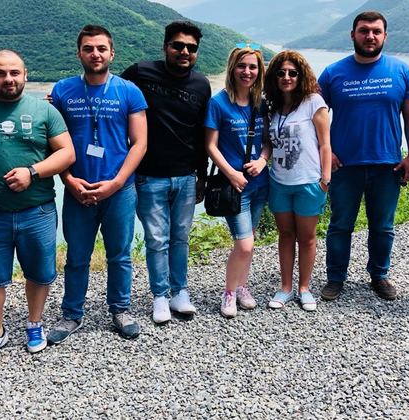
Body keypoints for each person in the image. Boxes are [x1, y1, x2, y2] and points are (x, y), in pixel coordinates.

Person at [0, 49, 75, 362]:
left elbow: (67, 153)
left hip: (38, 210)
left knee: (39, 272)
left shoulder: (44, 111)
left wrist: (32, 172)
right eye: (0, 73)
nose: (8, 79)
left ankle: (34, 323)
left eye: (14, 72)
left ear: (25, 75)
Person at [47, 25, 148, 342]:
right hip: (77, 189)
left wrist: (116, 183)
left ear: (112, 53)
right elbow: (53, 142)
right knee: (77, 255)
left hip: (119, 190)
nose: (95, 54)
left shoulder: (128, 91)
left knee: (120, 254)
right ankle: (71, 314)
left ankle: (120, 309)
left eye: (101, 48)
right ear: (79, 53)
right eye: (88, 48)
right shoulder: (63, 91)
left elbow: (140, 143)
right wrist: (68, 180)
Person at [318, 11, 409, 302]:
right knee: (340, 225)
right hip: (344, 165)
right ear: (353, 34)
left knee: (383, 227)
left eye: (376, 31)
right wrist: (326, 153)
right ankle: (335, 278)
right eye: (364, 30)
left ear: (385, 36)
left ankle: (379, 275)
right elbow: (313, 114)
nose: (370, 36)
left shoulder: (401, 71)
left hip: (387, 165)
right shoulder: (333, 73)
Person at [120, 21, 211, 324]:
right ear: (165, 47)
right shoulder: (140, 73)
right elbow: (110, 94)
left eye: (191, 48)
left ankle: (180, 292)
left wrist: (202, 176)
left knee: (180, 237)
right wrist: (61, 100)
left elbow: (202, 134)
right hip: (149, 175)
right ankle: (160, 295)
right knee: (157, 239)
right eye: (178, 45)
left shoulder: (201, 85)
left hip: (185, 175)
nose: (184, 52)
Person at [204, 45, 271, 318]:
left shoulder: (261, 104)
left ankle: (243, 286)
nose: (247, 72)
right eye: (242, 66)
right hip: (235, 186)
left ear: (259, 71)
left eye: (253, 67)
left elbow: (267, 142)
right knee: (244, 243)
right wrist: (231, 173)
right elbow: (210, 145)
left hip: (260, 184)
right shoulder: (218, 103)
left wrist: (262, 161)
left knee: (250, 239)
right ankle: (229, 292)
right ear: (232, 69)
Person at [263, 51, 331, 311]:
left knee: (307, 237)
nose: (287, 77)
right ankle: (285, 288)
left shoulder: (313, 102)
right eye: (281, 73)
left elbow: (325, 144)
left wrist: (325, 179)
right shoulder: (272, 107)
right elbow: (269, 143)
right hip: (280, 181)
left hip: (308, 182)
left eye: (293, 73)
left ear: (301, 76)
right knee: (285, 235)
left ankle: (304, 288)